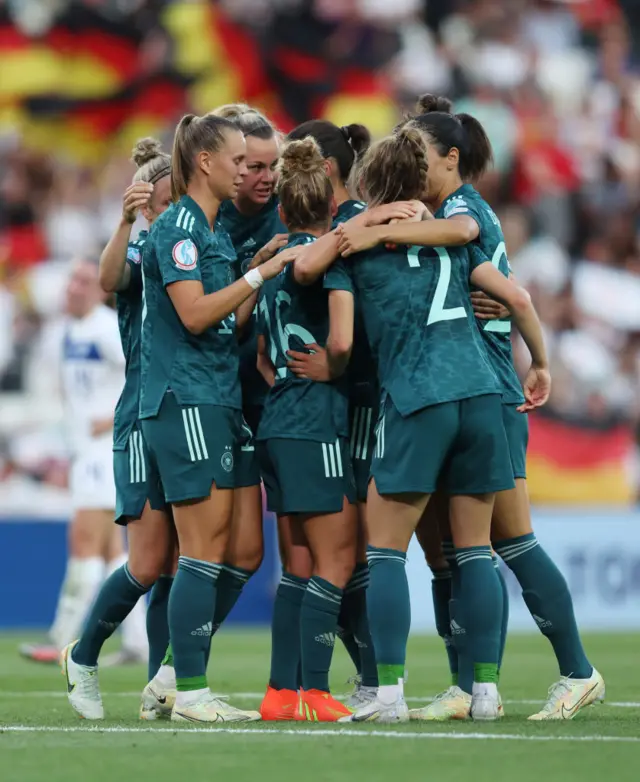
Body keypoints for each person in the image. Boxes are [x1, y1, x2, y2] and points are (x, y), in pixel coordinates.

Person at [339, 95, 604, 721]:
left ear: (451, 159)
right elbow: (507, 292)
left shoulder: (460, 212)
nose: (418, 171)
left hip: (477, 390)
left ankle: (576, 669)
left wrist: (378, 225)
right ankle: (471, 685)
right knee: (461, 550)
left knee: (507, 542)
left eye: (423, 157)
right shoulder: (443, 218)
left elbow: (489, 266)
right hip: (478, 388)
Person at [137, 112, 290, 724]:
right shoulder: (177, 227)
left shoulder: (213, 230)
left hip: (223, 398)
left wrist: (265, 272)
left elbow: (227, 320)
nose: (247, 172)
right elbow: (196, 315)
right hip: (187, 400)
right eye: (237, 161)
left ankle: (172, 674)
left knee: (245, 551)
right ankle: (190, 693)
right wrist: (259, 273)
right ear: (205, 162)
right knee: (199, 553)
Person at [60, 139, 176, 720]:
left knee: (184, 564)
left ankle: (162, 683)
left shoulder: (199, 237)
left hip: (189, 411)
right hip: (141, 417)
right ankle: (82, 653)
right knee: (150, 561)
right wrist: (125, 219)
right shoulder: (142, 244)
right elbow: (109, 281)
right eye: (166, 196)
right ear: (149, 202)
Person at [255, 136, 358, 722]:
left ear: (286, 211)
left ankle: (279, 692)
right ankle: (316, 690)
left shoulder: (271, 266)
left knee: (296, 564)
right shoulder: (330, 261)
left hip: (276, 423)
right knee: (336, 561)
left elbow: (265, 356)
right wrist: (333, 367)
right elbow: (340, 341)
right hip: (314, 423)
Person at [20, 259, 148, 667]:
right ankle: (139, 641)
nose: (72, 287)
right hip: (84, 451)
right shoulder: (67, 332)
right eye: (70, 279)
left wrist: (114, 416)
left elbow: (144, 374)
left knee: (84, 542)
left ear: (101, 289)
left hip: (103, 451)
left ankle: (61, 638)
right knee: (114, 551)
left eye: (82, 280)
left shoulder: (107, 327)